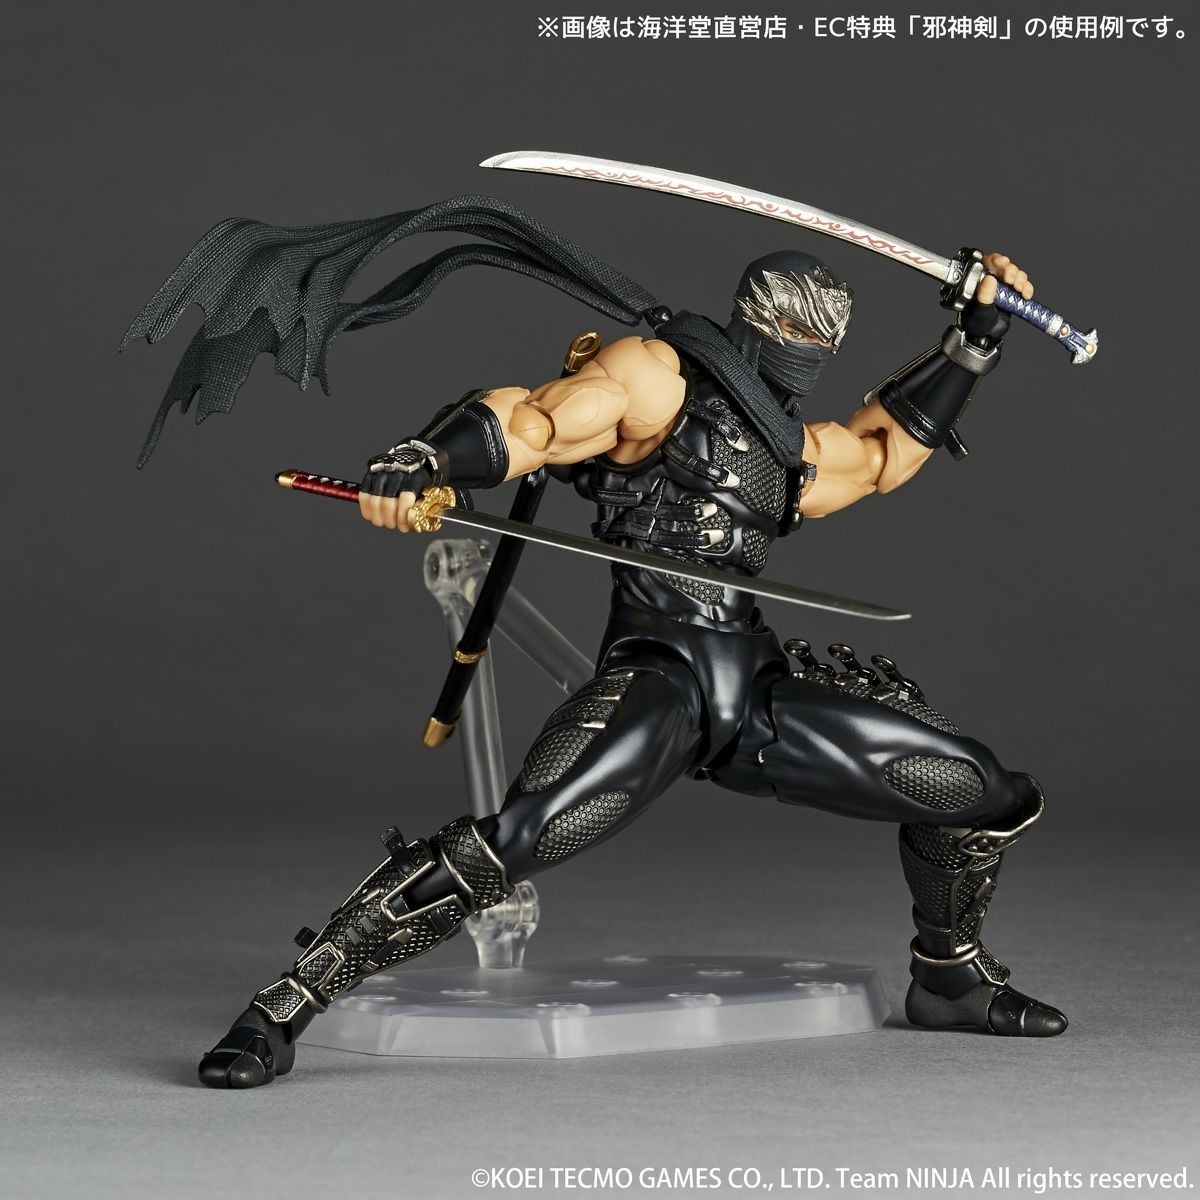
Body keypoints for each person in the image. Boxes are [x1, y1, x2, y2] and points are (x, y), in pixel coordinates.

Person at [195, 246, 1067, 1089]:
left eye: (824, 343)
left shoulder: (786, 447)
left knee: (979, 788)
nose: (810, 354)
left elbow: (878, 457)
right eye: (798, 334)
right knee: (526, 833)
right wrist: (428, 459)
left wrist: (973, 341)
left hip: (753, 689)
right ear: (758, 323)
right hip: (662, 675)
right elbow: (535, 423)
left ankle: (948, 976)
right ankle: (285, 1005)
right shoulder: (657, 378)